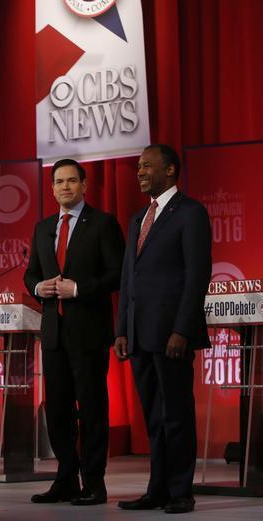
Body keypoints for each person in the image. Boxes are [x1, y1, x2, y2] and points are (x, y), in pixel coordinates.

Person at [114, 144, 212, 514]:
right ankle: (157, 490)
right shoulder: (138, 219)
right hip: (140, 336)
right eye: (138, 167)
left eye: (146, 166)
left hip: (172, 335)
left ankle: (181, 492)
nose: (139, 172)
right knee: (154, 419)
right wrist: (122, 329)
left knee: (177, 416)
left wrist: (182, 330)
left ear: (170, 170)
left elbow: (196, 276)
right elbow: (129, 278)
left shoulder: (190, 213)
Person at [24, 159, 125, 505]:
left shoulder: (103, 224)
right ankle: (66, 478)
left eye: (71, 181)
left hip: (88, 332)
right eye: (58, 182)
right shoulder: (43, 228)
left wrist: (79, 289)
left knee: (93, 408)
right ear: (52, 189)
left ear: (83, 185)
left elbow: (118, 273)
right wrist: (39, 288)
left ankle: (94, 482)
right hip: (53, 333)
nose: (64, 187)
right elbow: (31, 273)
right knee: (58, 411)